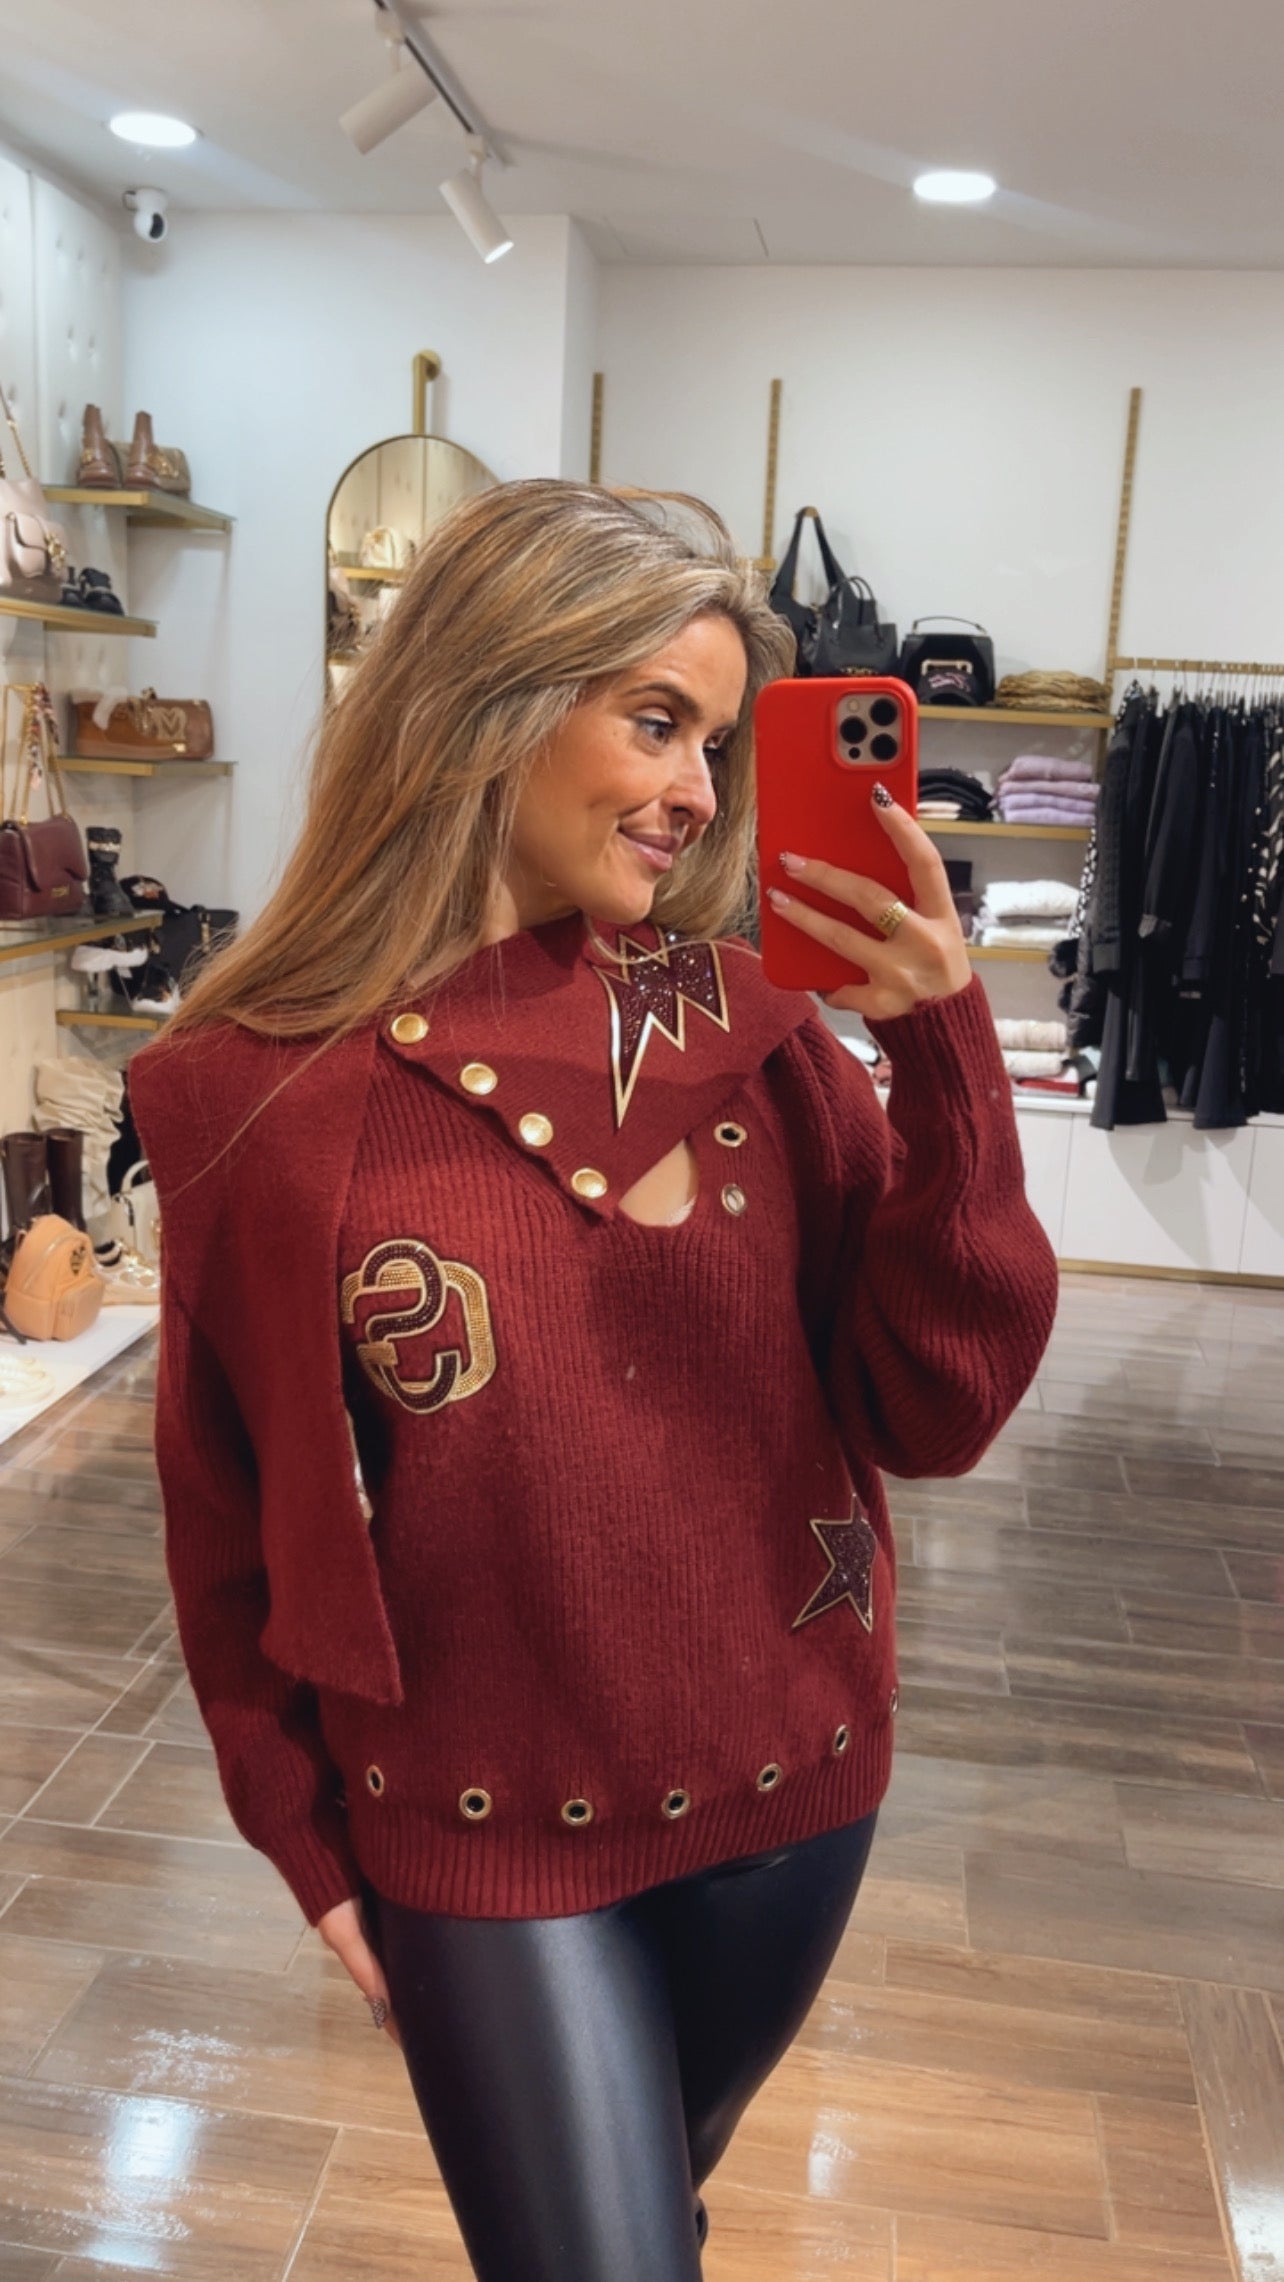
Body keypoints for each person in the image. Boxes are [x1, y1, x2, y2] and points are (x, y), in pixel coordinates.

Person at [129, 480, 1058, 2282]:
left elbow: (935, 1411)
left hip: (793, 1791)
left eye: (714, 740)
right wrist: (296, 1825)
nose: (699, 788)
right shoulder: (262, 1090)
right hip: (481, 1821)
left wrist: (942, 1047)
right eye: (654, 719)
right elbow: (224, 1506)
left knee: (647, 2221)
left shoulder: (767, 1046)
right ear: (491, 699)